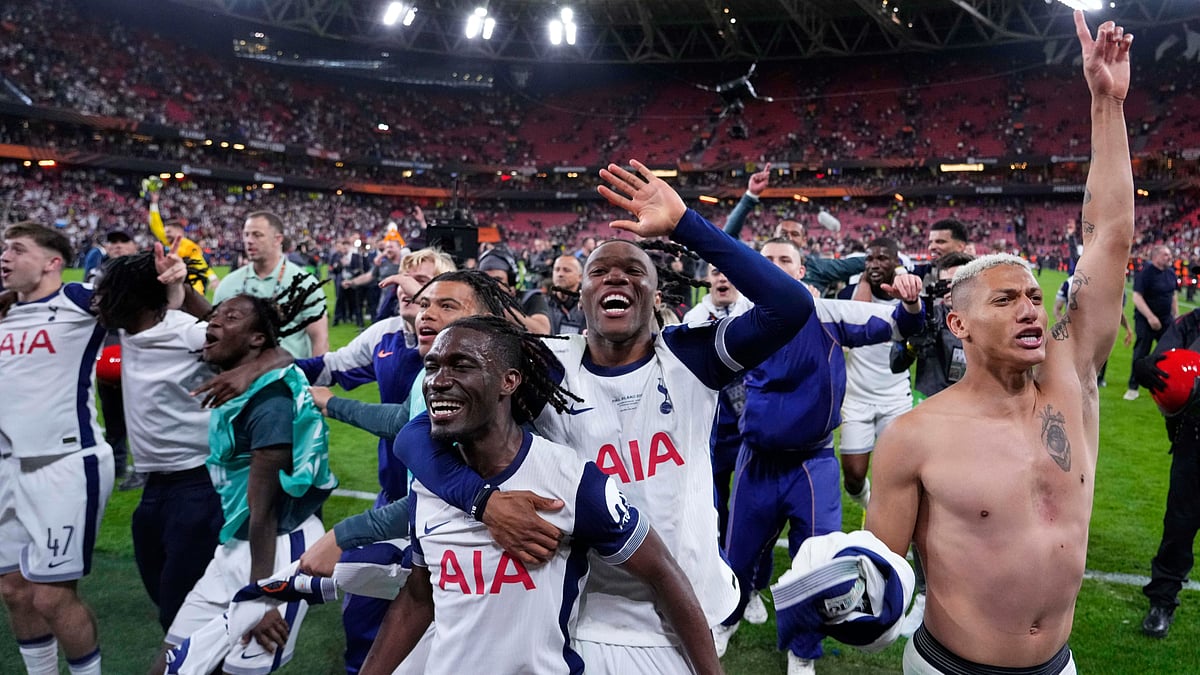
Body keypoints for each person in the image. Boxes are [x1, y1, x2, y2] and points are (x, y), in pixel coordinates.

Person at [388, 159, 814, 673]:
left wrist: (686, 226)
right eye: (599, 271)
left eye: (635, 270)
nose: (616, 276)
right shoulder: (545, 365)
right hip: (586, 617)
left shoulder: (689, 358)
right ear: (583, 296)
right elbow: (415, 437)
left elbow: (790, 306)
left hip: (690, 603)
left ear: (656, 296)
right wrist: (485, 503)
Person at [809, 14, 1131, 673]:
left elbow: (1107, 236)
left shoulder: (1070, 382)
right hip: (949, 666)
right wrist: (839, 593)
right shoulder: (914, 435)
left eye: (1035, 297)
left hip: (1060, 663)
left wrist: (1106, 103)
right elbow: (879, 578)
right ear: (958, 324)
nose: (1031, 310)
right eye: (1006, 299)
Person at [360, 316, 723, 675]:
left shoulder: (571, 481)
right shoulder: (428, 485)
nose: (438, 381)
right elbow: (419, 597)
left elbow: (663, 572)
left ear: (509, 381)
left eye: (461, 366)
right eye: (432, 367)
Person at [715, 236, 923, 673]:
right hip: (756, 462)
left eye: (783, 260)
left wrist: (910, 302)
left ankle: (803, 652)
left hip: (812, 463)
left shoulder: (824, 312)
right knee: (737, 556)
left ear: (801, 271)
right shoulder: (734, 320)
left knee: (820, 565)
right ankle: (725, 619)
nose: (772, 266)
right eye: (764, 260)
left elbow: (896, 324)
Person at [155, 293, 337, 675]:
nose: (214, 323)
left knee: (241, 671)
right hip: (240, 544)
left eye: (230, 317)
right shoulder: (247, 378)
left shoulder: (270, 403)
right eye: (215, 316)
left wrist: (261, 596)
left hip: (278, 549)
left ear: (256, 341)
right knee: (174, 660)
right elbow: (265, 344)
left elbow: (264, 510)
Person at [0, 222, 114, 675]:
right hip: (8, 467)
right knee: (12, 588)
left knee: (50, 594)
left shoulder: (79, 301)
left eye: (17, 250)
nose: (5, 257)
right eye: (4, 248)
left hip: (65, 465)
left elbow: (139, 305)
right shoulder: (4, 312)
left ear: (52, 263)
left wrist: (172, 280)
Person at [92, 248, 223, 633]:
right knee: (164, 596)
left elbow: (255, 337)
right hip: (153, 489)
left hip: (197, 486)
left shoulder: (187, 332)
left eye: (105, 292)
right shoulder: (126, 331)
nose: (96, 301)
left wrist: (242, 372)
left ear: (134, 298)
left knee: (181, 613)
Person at [1130, 312, 1200, 639]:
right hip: (1194, 441)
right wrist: (1148, 367)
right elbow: (1162, 362)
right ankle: (1162, 600)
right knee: (1179, 525)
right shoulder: (1190, 324)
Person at [837, 237, 916, 511]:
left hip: (895, 397)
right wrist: (862, 284)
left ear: (897, 262)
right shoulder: (847, 294)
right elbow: (849, 330)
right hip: (856, 398)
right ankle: (868, 503)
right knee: (854, 477)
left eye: (882, 258)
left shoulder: (908, 297)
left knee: (900, 472)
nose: (874, 264)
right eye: (870, 259)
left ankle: (892, 521)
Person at [722, 164, 865, 295]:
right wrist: (751, 196)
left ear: (804, 241)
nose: (788, 237)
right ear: (774, 236)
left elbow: (862, 263)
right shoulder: (758, 261)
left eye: (795, 234)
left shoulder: (818, 268)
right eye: (783, 233)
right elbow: (727, 239)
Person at [212, 211, 328, 359]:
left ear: (277, 239)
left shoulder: (305, 283)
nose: (249, 240)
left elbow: (319, 339)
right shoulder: (229, 283)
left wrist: (318, 379)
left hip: (289, 378)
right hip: (239, 379)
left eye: (257, 235)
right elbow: (215, 334)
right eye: (246, 234)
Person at [890, 251, 975, 402]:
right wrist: (912, 345)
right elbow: (896, 364)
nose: (949, 289)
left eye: (957, 283)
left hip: (975, 404)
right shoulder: (929, 316)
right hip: (932, 405)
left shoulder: (990, 320)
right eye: (945, 284)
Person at [1125, 244, 1177, 401]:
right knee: (1141, 352)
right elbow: (1137, 297)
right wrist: (1150, 317)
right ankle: (1133, 386)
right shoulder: (1145, 273)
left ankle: (1162, 383)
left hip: (1166, 319)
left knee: (1168, 352)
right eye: (1166, 255)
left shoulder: (1171, 273)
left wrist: (1175, 315)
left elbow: (1172, 294)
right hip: (1146, 320)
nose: (1169, 257)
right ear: (1156, 257)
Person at [148, 191, 218, 294]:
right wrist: (154, 203)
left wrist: (213, 278)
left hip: (190, 286)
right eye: (165, 232)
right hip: (173, 286)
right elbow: (155, 225)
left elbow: (199, 262)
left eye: (169, 232)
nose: (166, 234)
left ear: (180, 232)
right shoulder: (169, 242)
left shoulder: (188, 245)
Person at [477, 246, 553, 334]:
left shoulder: (531, 299)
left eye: (498, 279)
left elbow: (543, 331)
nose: (491, 284)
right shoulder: (473, 301)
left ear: (511, 280)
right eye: (485, 279)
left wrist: (502, 309)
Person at [547, 254, 586, 335]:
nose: (560, 274)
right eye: (556, 270)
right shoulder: (543, 304)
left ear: (580, 277)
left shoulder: (589, 306)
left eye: (566, 270)